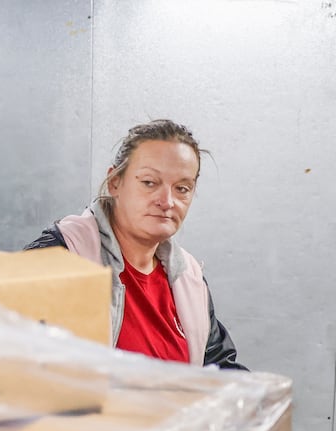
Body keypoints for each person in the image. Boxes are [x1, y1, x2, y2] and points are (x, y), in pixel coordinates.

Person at [26, 120, 245, 369]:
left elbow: (219, 368)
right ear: (115, 182)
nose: (167, 201)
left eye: (182, 188)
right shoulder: (61, 255)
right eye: (149, 183)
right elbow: (17, 371)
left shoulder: (188, 277)